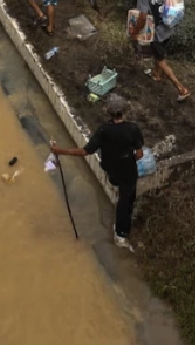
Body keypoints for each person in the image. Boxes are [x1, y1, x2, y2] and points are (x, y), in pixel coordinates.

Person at [50, 93, 144, 250]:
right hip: (127, 170)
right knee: (125, 200)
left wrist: (60, 151)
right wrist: (131, 159)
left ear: (108, 111)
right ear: (124, 110)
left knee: (118, 185)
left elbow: (85, 151)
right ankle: (120, 234)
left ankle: (116, 187)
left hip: (111, 169)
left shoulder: (103, 131)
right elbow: (139, 154)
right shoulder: (133, 129)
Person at [131, 0, 191, 101]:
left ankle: (181, 88)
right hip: (169, 27)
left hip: (156, 33)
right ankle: (157, 75)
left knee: (160, 60)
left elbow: (142, 18)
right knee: (159, 54)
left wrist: (135, 31)